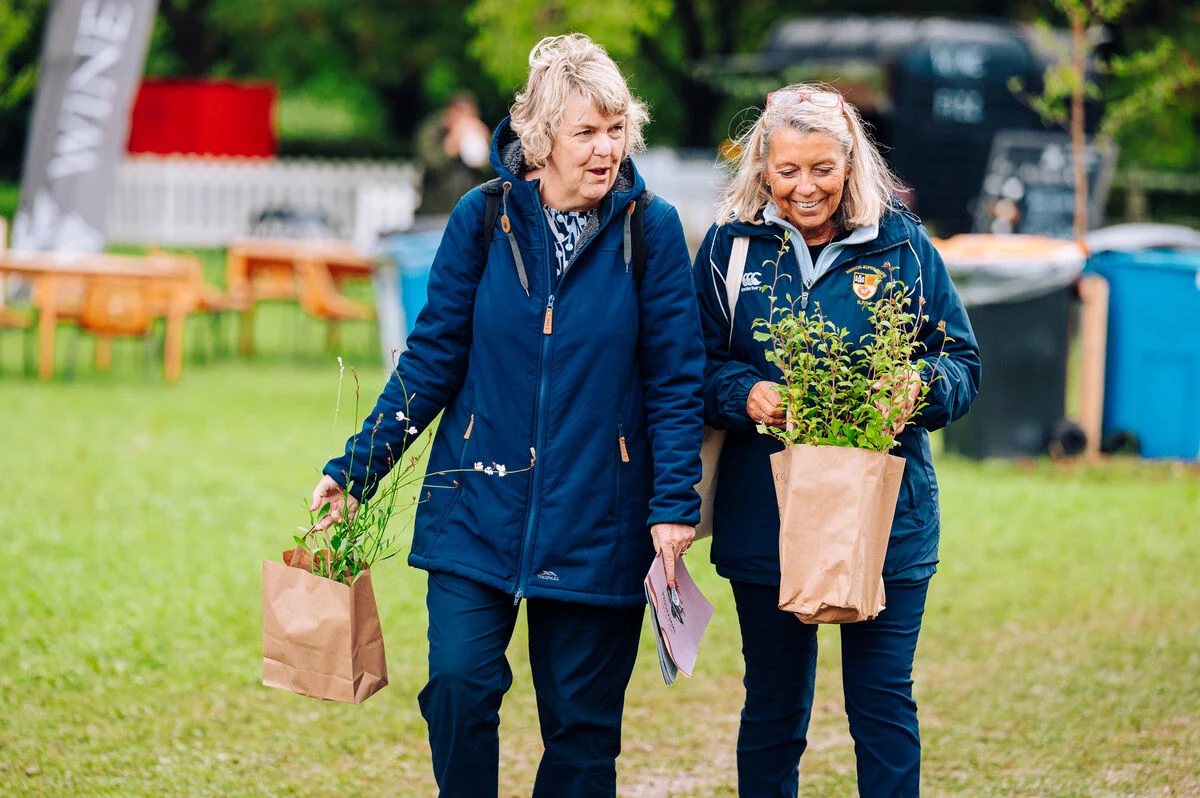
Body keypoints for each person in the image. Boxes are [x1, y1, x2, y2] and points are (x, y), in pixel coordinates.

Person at [310, 34, 703, 798]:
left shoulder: (648, 229)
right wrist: (354, 472)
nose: (606, 150)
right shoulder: (481, 219)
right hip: (474, 503)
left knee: (582, 733)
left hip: (601, 514)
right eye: (585, 132)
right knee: (457, 686)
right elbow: (429, 360)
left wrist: (673, 505)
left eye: (617, 129)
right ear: (540, 137)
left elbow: (676, 379)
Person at [694, 84, 981, 797]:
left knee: (882, 707)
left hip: (888, 523)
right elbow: (685, 366)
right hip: (768, 521)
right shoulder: (731, 250)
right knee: (773, 710)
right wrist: (742, 391)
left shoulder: (904, 246)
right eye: (788, 171)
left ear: (851, 164)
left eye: (822, 168)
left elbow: (962, 361)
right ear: (762, 168)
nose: (805, 188)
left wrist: (918, 388)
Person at [415, 93, 494, 216]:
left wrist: (486, 145)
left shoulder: (475, 133)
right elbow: (430, 164)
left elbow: (489, 171)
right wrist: (452, 145)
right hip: (434, 213)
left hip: (467, 212)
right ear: (450, 113)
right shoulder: (432, 131)